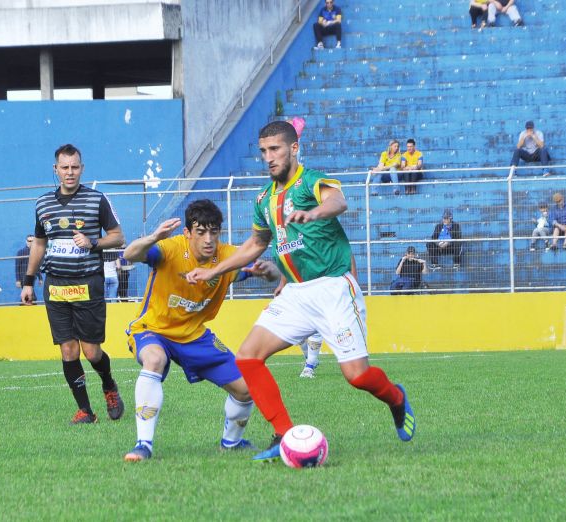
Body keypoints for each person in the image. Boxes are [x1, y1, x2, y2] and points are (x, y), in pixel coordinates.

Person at [185, 120, 416, 462]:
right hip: (295, 292)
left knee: (357, 376)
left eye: (275, 149)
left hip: (334, 288)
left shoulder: (311, 181)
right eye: (263, 151)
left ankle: (396, 398)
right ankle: (281, 433)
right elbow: (255, 244)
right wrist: (213, 270)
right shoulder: (264, 198)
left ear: (294, 148)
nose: (268, 157)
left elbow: (338, 202)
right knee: (248, 356)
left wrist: (315, 212)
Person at [121, 200, 281, 461]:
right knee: (154, 359)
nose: (209, 239)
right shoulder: (169, 249)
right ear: (187, 233)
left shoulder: (228, 256)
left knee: (245, 388)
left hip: (194, 335)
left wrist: (268, 271)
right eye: (201, 232)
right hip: (154, 329)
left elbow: (272, 275)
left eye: (214, 232)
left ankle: (231, 443)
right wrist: (153, 237)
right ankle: (143, 445)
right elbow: (130, 254)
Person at [21, 144, 126, 425]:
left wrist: (93, 242)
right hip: (55, 286)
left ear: (82, 168)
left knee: (91, 351)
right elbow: (39, 244)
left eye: (75, 167)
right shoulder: (43, 204)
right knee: (68, 350)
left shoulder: (96, 200)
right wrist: (28, 282)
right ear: (55, 170)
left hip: (88, 284)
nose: (70, 172)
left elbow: (118, 237)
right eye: (64, 167)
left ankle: (109, 385)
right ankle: (85, 411)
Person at [15, 234, 42, 301]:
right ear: (26, 241)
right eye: (29, 241)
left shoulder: (36, 252)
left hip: (32, 277)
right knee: (31, 296)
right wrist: (18, 280)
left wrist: (40, 278)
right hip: (23, 277)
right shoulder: (20, 252)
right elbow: (17, 267)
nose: (31, 242)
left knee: (27, 296)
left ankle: (23, 306)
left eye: (33, 241)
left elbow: (36, 266)